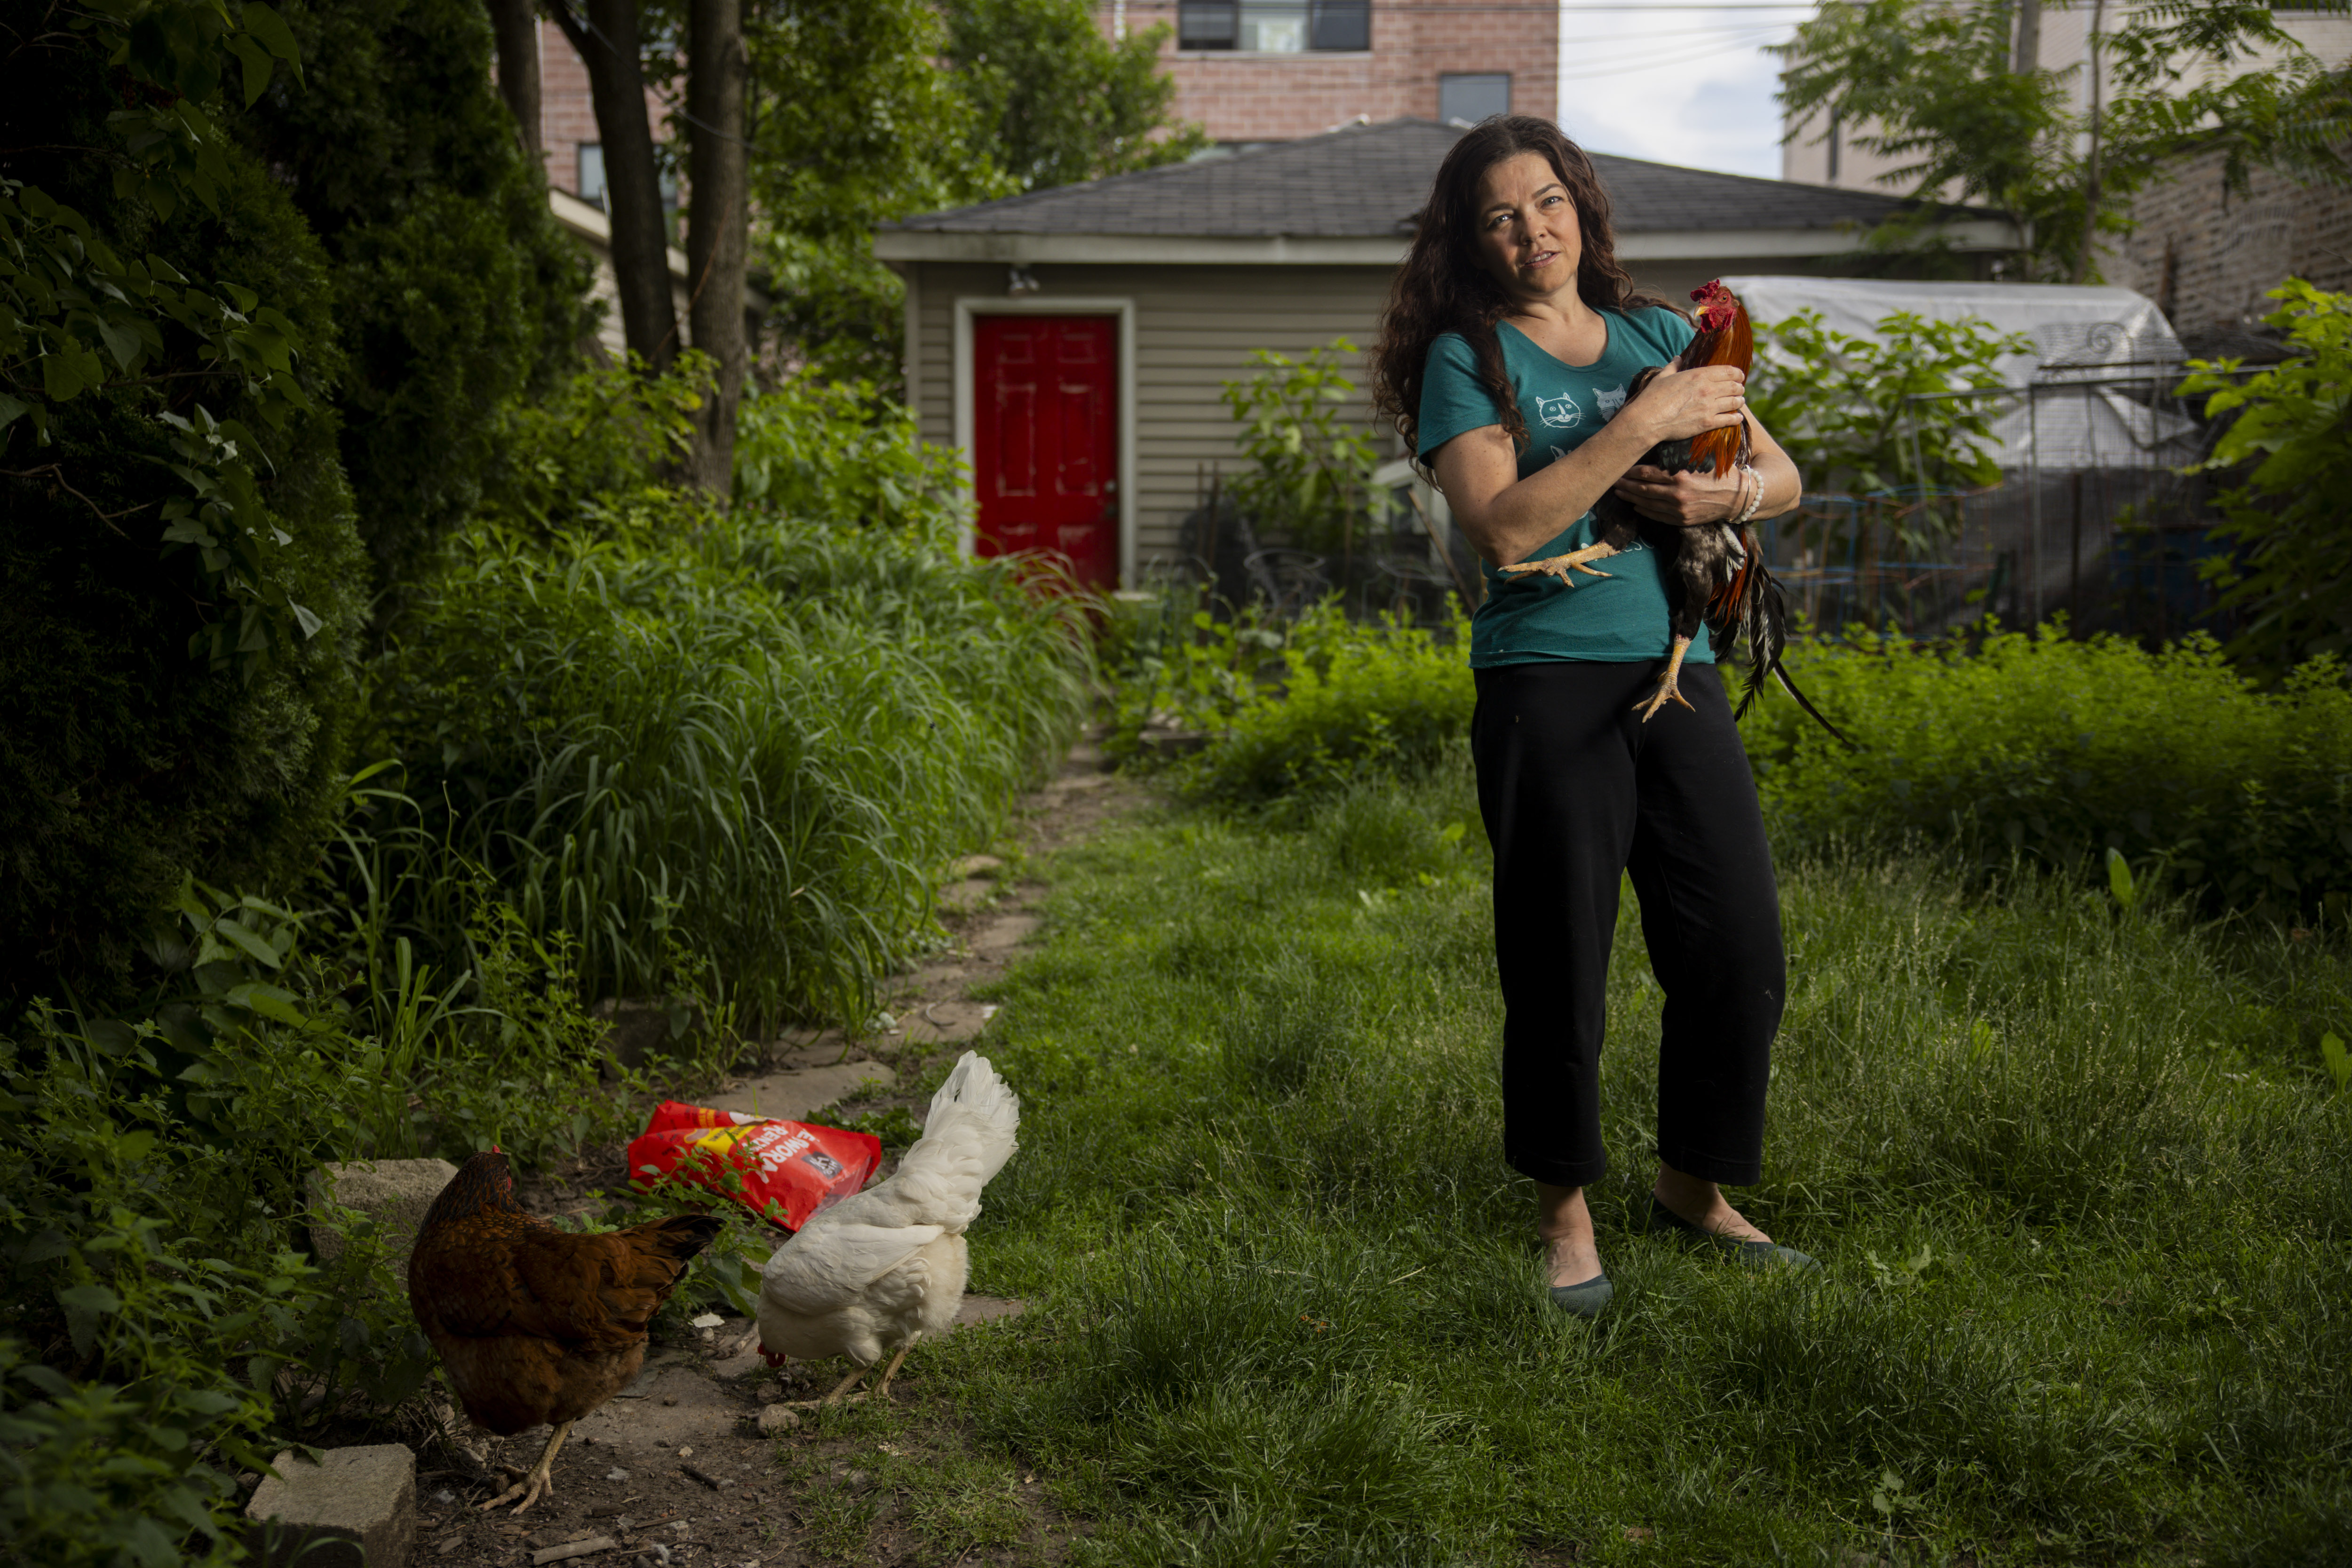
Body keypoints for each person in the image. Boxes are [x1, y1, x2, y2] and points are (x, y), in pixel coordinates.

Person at [1370, 116, 1817, 1318]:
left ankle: (1692, 1181)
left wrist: (1725, 486)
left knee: (1737, 945)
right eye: (1501, 216)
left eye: (1548, 201)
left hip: (1679, 661)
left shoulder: (1663, 332)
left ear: (1582, 204)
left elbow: (1782, 475)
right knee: (1560, 954)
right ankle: (1563, 1210)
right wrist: (1635, 426)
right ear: (1472, 242)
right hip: (1544, 677)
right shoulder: (1470, 358)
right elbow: (1506, 527)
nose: (1534, 231)